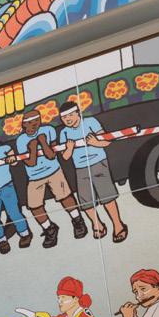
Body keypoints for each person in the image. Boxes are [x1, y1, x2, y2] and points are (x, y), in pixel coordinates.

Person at [15, 110, 87, 247]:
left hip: (53, 170)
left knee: (65, 197)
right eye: (28, 123)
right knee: (34, 206)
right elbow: (31, 163)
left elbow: (51, 155)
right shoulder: (21, 140)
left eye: (35, 122)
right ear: (23, 125)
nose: (32, 126)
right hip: (34, 176)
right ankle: (49, 228)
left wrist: (43, 142)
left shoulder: (48, 130)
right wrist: (33, 148)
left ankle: (78, 220)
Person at [59, 101, 127, 242]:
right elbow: (65, 157)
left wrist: (95, 143)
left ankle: (118, 225)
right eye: (64, 117)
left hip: (98, 163)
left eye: (70, 115)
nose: (68, 119)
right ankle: (98, 225)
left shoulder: (90, 122)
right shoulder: (64, 132)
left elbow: (106, 141)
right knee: (86, 202)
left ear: (78, 113)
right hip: (81, 168)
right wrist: (69, 148)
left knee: (107, 197)